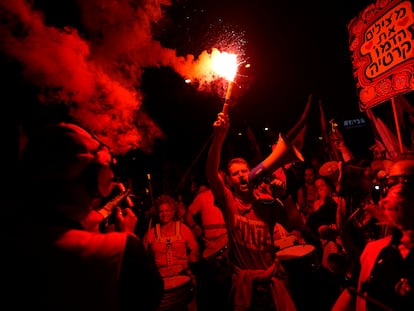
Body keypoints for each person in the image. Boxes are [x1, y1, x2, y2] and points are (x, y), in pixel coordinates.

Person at [13, 122, 164, 311]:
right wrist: (127, 234)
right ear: (97, 177)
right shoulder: (118, 250)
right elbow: (150, 297)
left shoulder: (19, 236)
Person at [206, 110, 297, 311]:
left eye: (244, 171)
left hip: (271, 280)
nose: (241, 176)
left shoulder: (265, 201)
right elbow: (211, 173)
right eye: (235, 174)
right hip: (245, 284)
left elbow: (296, 224)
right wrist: (219, 137)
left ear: (252, 173)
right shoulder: (228, 202)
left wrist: (284, 197)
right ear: (229, 181)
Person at [332, 155, 414, 311]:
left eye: (404, 183)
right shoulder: (375, 251)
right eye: (391, 184)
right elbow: (353, 292)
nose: (392, 193)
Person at [144, 194, 200, 311]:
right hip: (161, 282)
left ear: (173, 211)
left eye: (167, 211)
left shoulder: (184, 229)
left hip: (183, 276)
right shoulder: (151, 233)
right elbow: (141, 254)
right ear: (157, 214)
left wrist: (193, 255)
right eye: (161, 212)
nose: (164, 214)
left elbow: (195, 248)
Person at [184, 173, 232, 311]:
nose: (217, 181)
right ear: (210, 181)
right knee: (215, 285)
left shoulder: (230, 195)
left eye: (220, 178)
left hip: (230, 244)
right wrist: (194, 226)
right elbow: (188, 214)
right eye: (214, 178)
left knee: (230, 283)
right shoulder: (202, 197)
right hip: (211, 246)